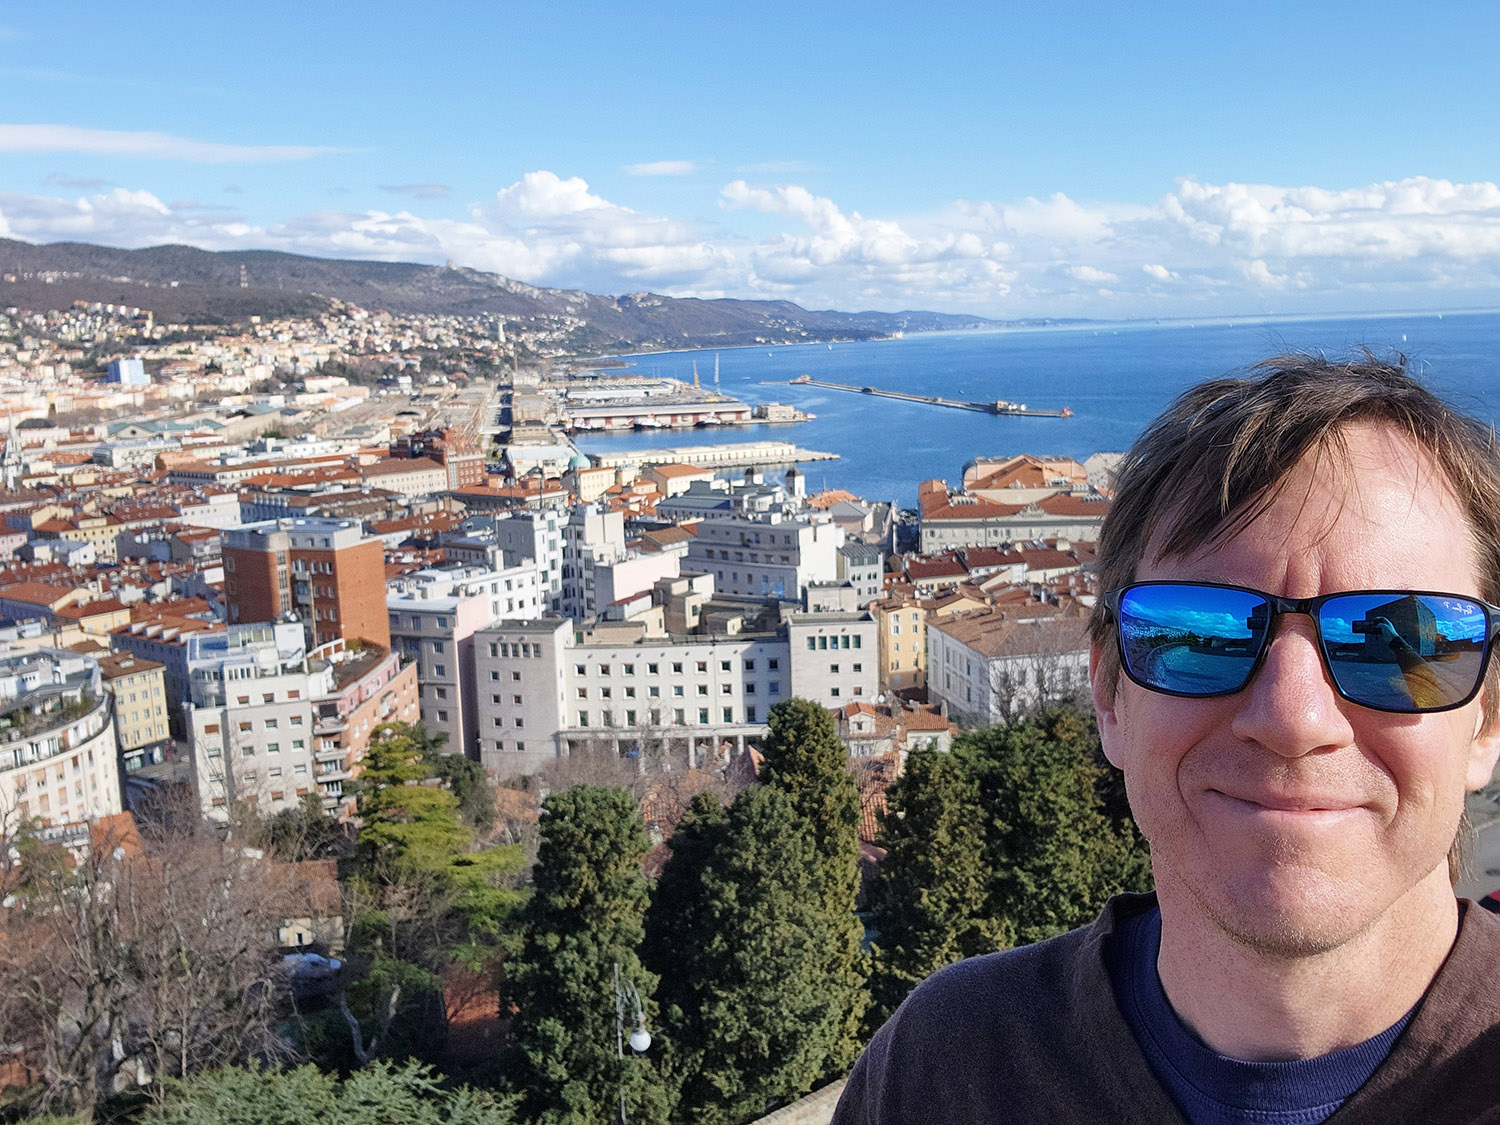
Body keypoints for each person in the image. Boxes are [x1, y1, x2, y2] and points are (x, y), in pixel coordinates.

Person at [832, 355, 1500, 1124]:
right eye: (1196, 630)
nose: (1294, 719)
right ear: (1109, 694)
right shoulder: (946, 1069)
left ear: (1486, 720)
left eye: (1397, 644)